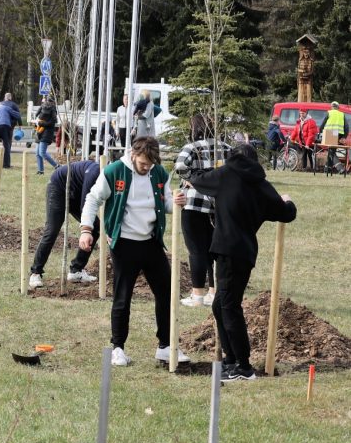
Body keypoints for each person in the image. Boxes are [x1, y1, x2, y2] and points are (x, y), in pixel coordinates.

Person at [178, 144, 297, 382]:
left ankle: (244, 367)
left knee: (229, 307)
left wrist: (190, 182)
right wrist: (288, 201)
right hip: (244, 252)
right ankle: (231, 360)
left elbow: (198, 177)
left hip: (227, 250)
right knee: (219, 305)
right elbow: (287, 214)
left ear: (233, 158)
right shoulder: (262, 185)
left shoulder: (225, 175)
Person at [78, 137, 190, 367]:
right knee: (123, 295)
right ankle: (118, 347)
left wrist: (177, 201)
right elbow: (92, 199)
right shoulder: (114, 171)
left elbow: (165, 203)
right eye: (142, 163)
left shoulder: (159, 173)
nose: (146, 167)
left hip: (151, 242)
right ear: (133, 154)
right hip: (124, 243)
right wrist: (86, 230)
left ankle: (166, 346)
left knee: (166, 293)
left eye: (150, 164)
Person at [173, 116, 230, 307]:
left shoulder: (193, 147)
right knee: (215, 249)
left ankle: (197, 294)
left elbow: (180, 165)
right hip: (219, 204)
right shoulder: (226, 147)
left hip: (195, 203)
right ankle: (213, 292)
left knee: (196, 250)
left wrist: (195, 179)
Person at [29, 160, 101, 288]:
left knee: (96, 227)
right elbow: (85, 205)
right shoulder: (95, 174)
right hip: (59, 186)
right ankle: (35, 272)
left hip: (76, 192)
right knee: (52, 230)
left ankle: (76, 270)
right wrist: (85, 230)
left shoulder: (114, 179)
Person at [0, 93, 20, 169]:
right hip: (5, 126)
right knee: (6, 145)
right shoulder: (6, 108)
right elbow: (18, 115)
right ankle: (6, 165)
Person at [34, 97, 59, 174]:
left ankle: (57, 166)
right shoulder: (42, 107)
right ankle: (40, 171)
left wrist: (41, 123)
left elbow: (53, 122)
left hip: (47, 132)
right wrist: (37, 122)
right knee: (37, 153)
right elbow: (36, 116)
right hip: (39, 132)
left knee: (42, 153)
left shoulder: (53, 109)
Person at [323, 101, 346, 172]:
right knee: (332, 150)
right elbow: (346, 126)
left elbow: (323, 123)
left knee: (331, 152)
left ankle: (340, 168)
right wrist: (344, 136)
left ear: (332, 107)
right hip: (338, 134)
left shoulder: (329, 112)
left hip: (330, 133)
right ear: (338, 107)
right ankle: (327, 169)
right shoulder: (342, 114)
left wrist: (320, 132)